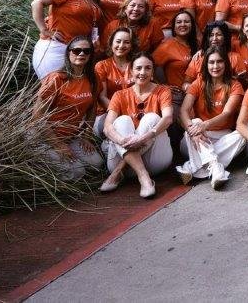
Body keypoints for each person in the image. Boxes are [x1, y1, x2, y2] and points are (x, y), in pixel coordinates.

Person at [100, 53, 174, 198]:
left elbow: (168, 118)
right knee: (122, 121)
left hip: (153, 162)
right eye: (138, 68)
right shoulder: (119, 95)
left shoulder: (163, 91)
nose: (142, 72)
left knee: (152, 118)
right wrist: (122, 141)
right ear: (131, 71)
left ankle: (119, 171)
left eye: (148, 68)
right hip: (123, 155)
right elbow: (107, 127)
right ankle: (143, 176)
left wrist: (142, 139)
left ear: (152, 72)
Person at [175, 47, 247, 189]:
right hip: (196, 139)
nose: (215, 66)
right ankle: (215, 166)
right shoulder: (198, 82)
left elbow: (227, 113)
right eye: (211, 62)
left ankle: (192, 167)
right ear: (206, 65)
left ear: (226, 63)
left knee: (242, 135)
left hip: (222, 136)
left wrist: (205, 125)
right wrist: (193, 131)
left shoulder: (235, 85)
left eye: (219, 61)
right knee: (194, 122)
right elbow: (183, 111)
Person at [36, 36, 104, 179]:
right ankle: (37, 162)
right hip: (44, 137)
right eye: (76, 50)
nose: (81, 54)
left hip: (70, 136)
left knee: (96, 164)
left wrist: (87, 136)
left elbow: (92, 108)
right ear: (68, 53)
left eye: (86, 51)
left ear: (90, 55)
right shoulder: (56, 79)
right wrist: (58, 145)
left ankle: (67, 161)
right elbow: (37, 116)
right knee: (78, 172)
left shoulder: (92, 79)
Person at [31, 0, 103, 79]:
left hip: (77, 51)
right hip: (56, 48)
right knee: (52, 86)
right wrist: (45, 30)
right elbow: (36, 3)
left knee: (69, 88)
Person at [153, 10, 198, 116]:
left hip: (198, 94)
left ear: (192, 25)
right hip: (178, 96)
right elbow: (150, 66)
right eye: (179, 22)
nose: (183, 24)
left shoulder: (198, 44)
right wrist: (162, 86)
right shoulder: (166, 46)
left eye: (186, 22)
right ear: (173, 26)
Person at [94, 27, 136, 135]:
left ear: (132, 45)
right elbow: (102, 97)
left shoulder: (137, 65)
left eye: (126, 42)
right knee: (124, 124)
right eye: (118, 41)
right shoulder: (102, 66)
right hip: (107, 113)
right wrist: (122, 113)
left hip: (134, 112)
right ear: (111, 43)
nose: (121, 46)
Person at [100, 0, 165, 55]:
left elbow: (158, 50)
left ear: (146, 10)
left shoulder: (153, 25)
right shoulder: (112, 26)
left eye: (141, 6)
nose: (136, 9)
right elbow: (104, 49)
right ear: (125, 8)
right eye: (132, 5)